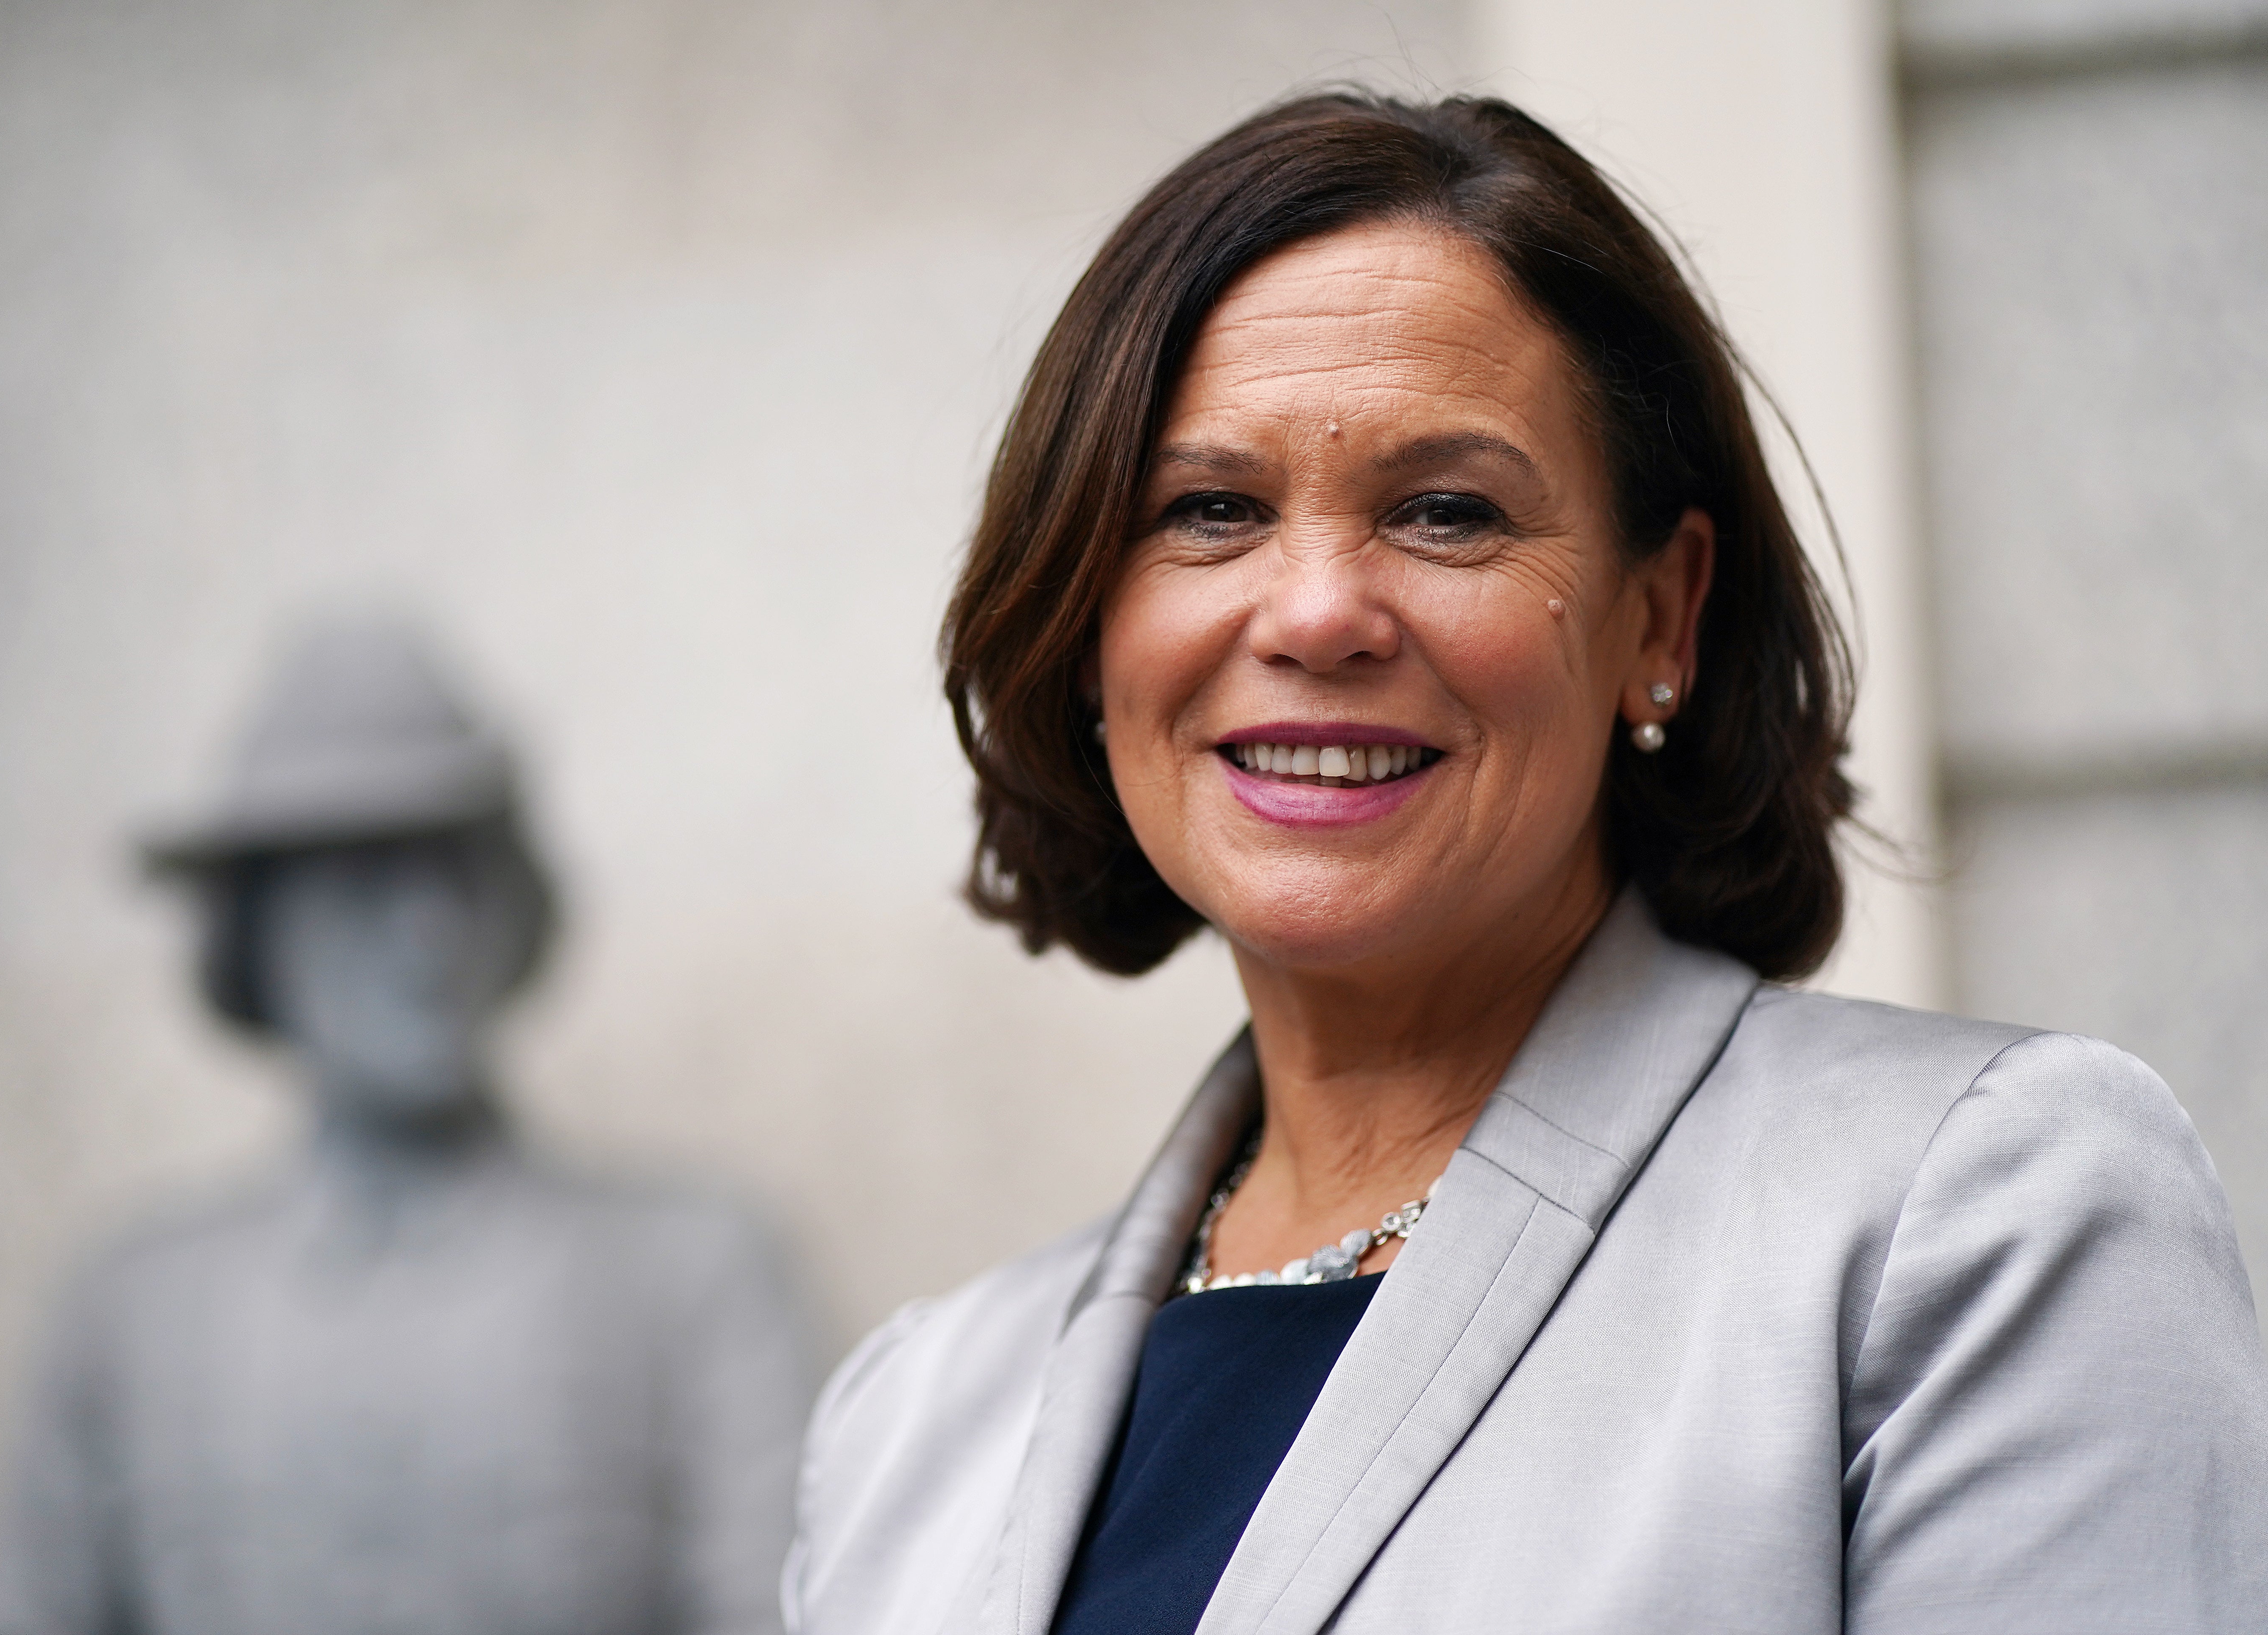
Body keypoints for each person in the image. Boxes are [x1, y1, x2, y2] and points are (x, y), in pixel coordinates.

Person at [780, 93, 2268, 1635]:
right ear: (1090, 639)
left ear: (1659, 620)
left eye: (1447, 512)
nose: (1315, 612)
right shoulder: (909, 1420)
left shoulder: (1973, 1220)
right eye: (1208, 511)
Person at [0, 617, 814, 1635]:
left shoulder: (693, 1272)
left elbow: (778, 1608)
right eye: (360, 876)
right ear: (257, 930)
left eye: (457, 868)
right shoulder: (129, 1311)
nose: (425, 928)